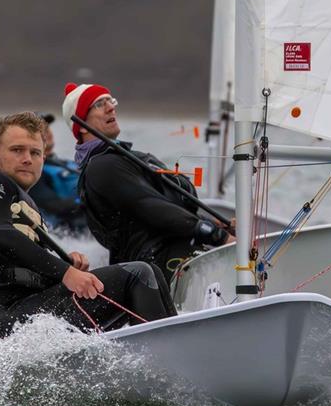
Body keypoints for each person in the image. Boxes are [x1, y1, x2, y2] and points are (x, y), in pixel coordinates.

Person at [0, 111, 176, 340]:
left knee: (153, 274)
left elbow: (21, 266)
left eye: (35, 152)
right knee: (138, 275)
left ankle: (172, 344)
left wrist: (65, 267)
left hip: (30, 313)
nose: (27, 158)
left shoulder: (22, 203)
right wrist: (67, 273)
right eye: (17, 150)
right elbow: (0, 235)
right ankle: (169, 355)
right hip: (9, 321)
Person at [63, 82, 234, 282]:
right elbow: (151, 207)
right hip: (155, 266)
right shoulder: (102, 167)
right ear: (81, 125)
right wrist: (217, 236)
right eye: (100, 104)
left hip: (178, 251)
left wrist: (217, 224)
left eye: (110, 100)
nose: (111, 107)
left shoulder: (135, 157)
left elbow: (176, 202)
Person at [27, 112, 88, 233]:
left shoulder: (70, 164)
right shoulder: (34, 172)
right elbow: (54, 205)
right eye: (40, 129)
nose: (47, 131)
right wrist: (90, 200)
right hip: (71, 231)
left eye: (47, 127)